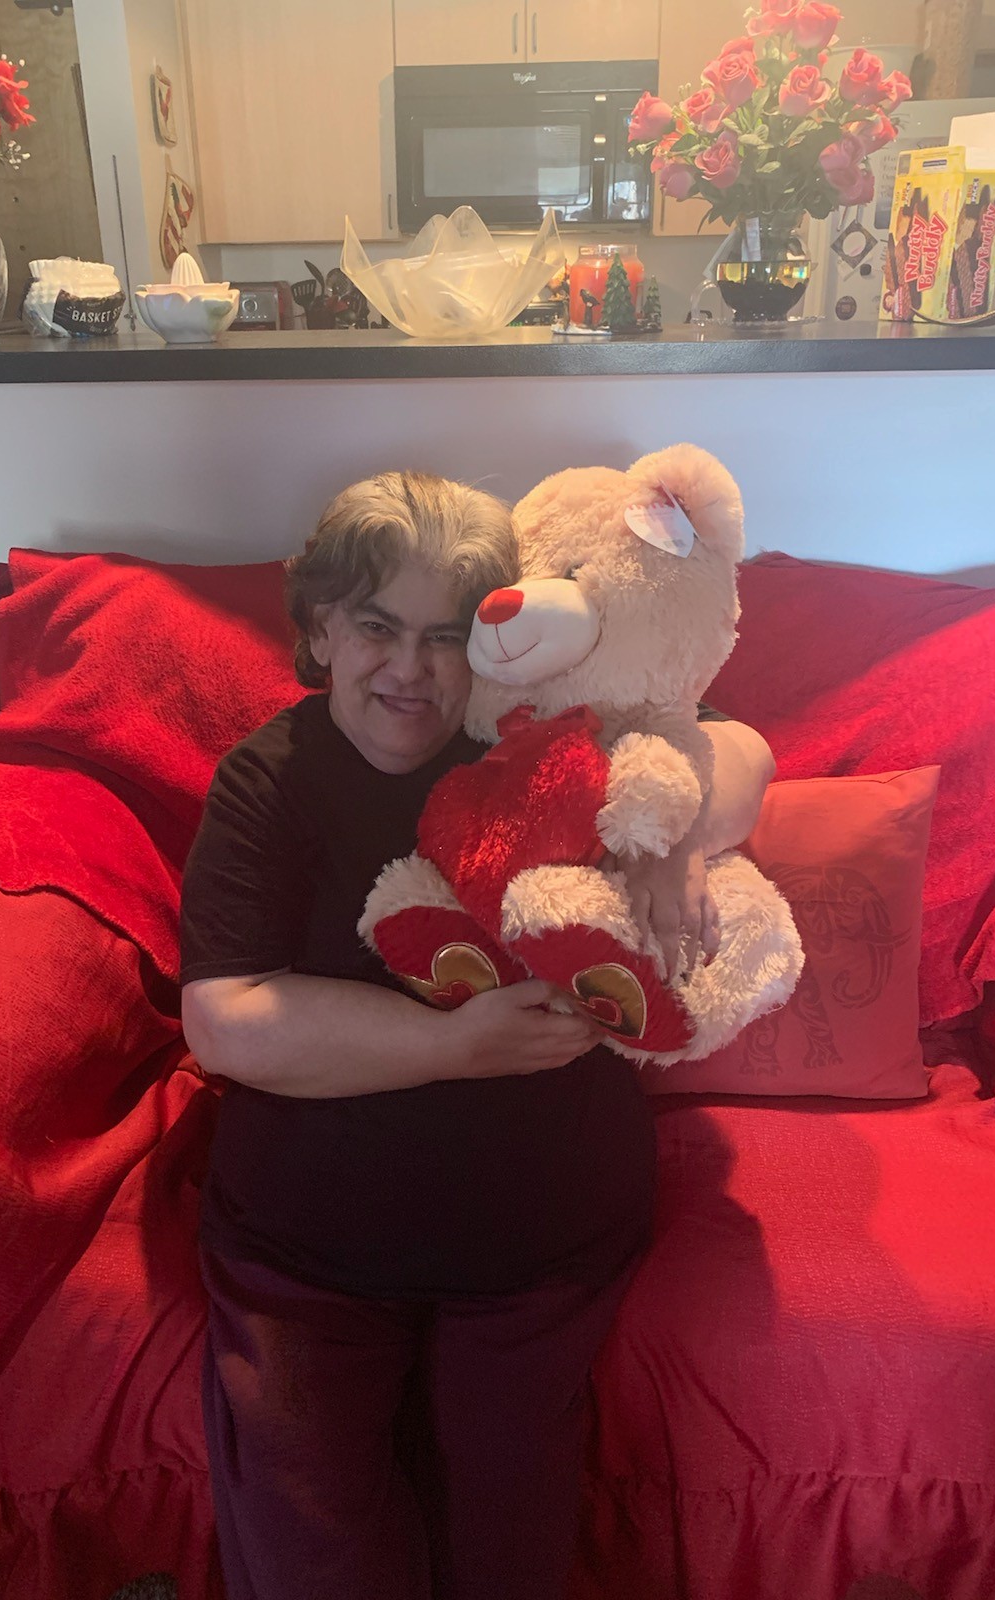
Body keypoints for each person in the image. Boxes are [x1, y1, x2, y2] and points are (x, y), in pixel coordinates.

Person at [180, 470, 775, 1600]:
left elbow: (745, 752)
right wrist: (452, 1046)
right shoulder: (269, 779)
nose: (410, 670)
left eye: (445, 637)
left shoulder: (534, 734)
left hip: (539, 1253)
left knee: (508, 1554)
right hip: (306, 1258)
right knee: (319, 1563)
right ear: (321, 628)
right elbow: (224, 1017)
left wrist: (674, 834)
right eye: (378, 628)